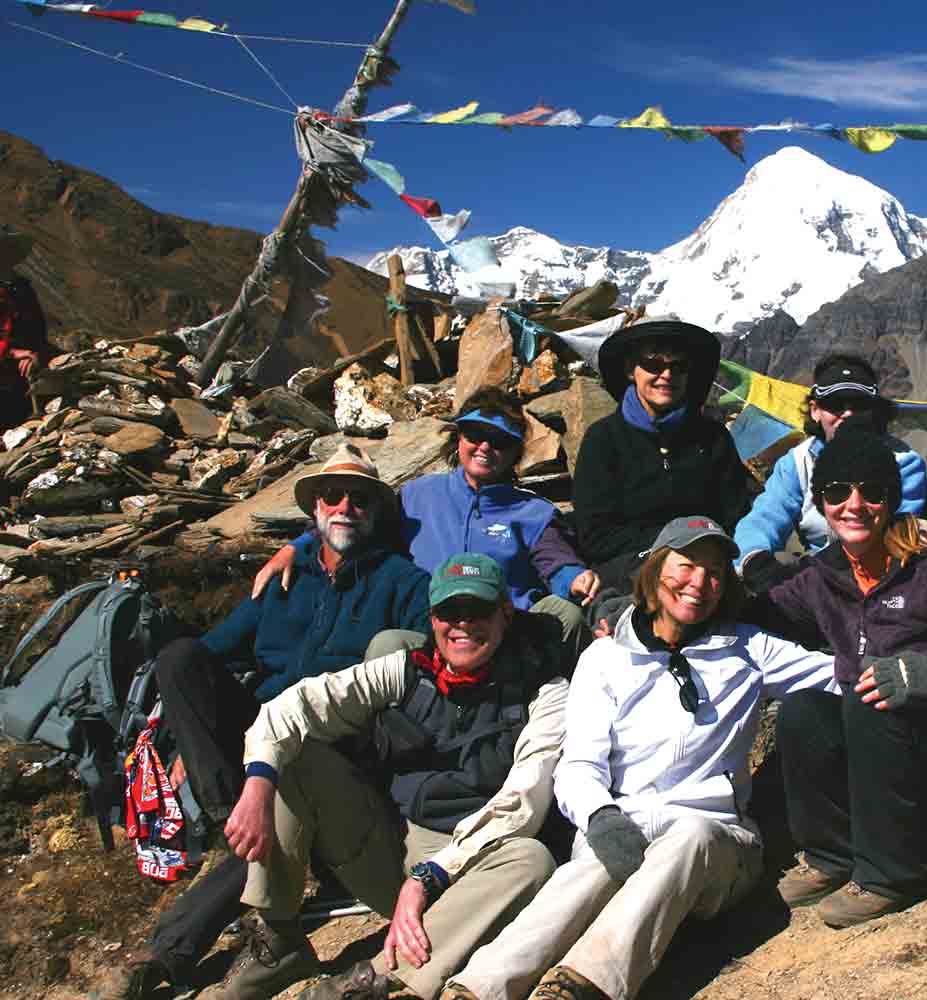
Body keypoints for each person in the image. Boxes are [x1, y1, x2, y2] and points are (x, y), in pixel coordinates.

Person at [440, 517, 834, 1000]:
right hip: (626, 831)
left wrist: (905, 666)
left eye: (715, 573)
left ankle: (584, 985)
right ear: (654, 570)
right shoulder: (605, 658)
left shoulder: (748, 648)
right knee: (589, 868)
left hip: (718, 843)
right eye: (686, 566)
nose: (700, 584)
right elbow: (580, 763)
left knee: (691, 834)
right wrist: (599, 816)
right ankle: (480, 987)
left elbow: (838, 676)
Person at [105, 445, 433, 1000]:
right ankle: (228, 812)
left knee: (279, 798)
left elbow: (429, 652)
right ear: (314, 510)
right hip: (257, 733)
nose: (345, 507)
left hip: (326, 746)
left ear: (376, 512)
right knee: (178, 658)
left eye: (360, 499)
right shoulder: (287, 577)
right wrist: (192, 738)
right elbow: (211, 653)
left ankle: (167, 952)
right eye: (332, 496)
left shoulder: (402, 581)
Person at [219, 553, 570, 1000]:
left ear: (505, 614)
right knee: (296, 754)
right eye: (448, 612)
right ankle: (279, 938)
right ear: (433, 618)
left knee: (531, 860)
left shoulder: (546, 693)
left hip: (468, 871)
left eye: (477, 611)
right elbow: (297, 706)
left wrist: (429, 876)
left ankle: (374, 980)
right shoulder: (406, 669)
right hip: (388, 848)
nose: (461, 625)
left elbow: (524, 800)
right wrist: (258, 784)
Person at [757, 419, 927, 928]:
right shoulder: (825, 576)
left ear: (892, 499)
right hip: (886, 771)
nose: (854, 505)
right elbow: (758, 610)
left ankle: (896, 871)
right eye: (837, 491)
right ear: (820, 502)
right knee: (805, 710)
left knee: (867, 695)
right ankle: (834, 854)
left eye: (872, 492)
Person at [252, 386, 598, 657]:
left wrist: (575, 579)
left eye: (499, 441)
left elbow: (557, 563)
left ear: (514, 452)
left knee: (562, 614)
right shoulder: (416, 495)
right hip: (429, 625)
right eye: (474, 434)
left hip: (502, 630)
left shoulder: (533, 512)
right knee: (386, 644)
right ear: (457, 438)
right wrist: (295, 548)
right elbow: (351, 522)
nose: (484, 447)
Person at [571, 319, 754, 591]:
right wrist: (674, 543)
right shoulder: (603, 439)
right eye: (654, 365)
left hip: (707, 558)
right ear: (631, 371)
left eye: (678, 367)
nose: (666, 375)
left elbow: (737, 511)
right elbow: (595, 534)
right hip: (631, 566)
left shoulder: (712, 437)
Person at [734, 353, 927, 593]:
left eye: (859, 405)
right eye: (835, 404)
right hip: (812, 576)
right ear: (815, 410)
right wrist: (753, 561)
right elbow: (764, 518)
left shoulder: (905, 463)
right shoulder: (796, 462)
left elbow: (899, 536)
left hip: (883, 578)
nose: (847, 413)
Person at [0, 227, 55, 436]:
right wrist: (12, 353)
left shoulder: (22, 288)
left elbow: (37, 330)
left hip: (22, 371)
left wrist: (33, 353)